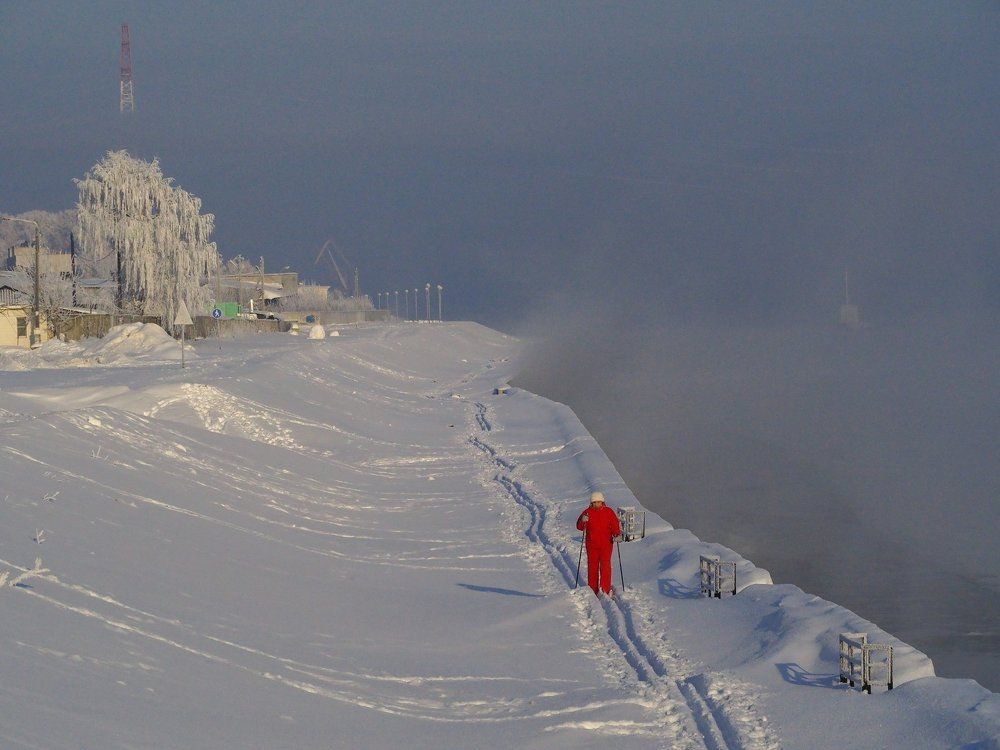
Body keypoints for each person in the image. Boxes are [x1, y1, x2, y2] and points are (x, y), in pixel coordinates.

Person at [576, 491, 621, 596]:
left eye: (599, 502)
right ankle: (593, 589)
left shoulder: (609, 512)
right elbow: (579, 527)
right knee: (593, 567)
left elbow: (614, 524)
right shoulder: (587, 512)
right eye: (595, 502)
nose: (597, 504)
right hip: (592, 545)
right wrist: (583, 520)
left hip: (606, 544)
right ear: (591, 503)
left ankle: (605, 589)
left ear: (602, 502)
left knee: (605, 566)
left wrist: (616, 534)